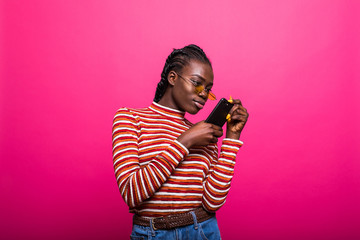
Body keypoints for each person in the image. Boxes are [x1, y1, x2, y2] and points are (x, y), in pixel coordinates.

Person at [112, 44, 249, 240]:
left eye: (208, 89)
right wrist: (186, 140)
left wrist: (232, 138)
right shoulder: (129, 119)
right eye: (197, 83)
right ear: (173, 78)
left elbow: (213, 202)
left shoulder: (204, 133)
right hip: (152, 233)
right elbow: (132, 193)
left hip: (202, 230)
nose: (203, 94)